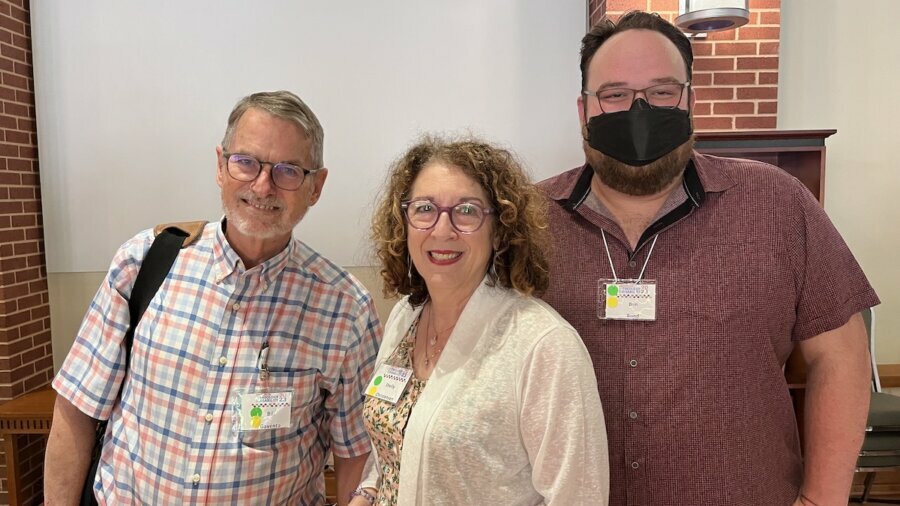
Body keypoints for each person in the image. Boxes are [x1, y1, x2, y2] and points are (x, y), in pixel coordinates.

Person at [539, 11, 880, 506]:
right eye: (614, 94)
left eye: (661, 92)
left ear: (690, 100)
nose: (639, 111)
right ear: (583, 110)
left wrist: (822, 499)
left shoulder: (776, 203)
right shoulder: (526, 223)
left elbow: (841, 355)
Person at [44, 90, 381, 505]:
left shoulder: (345, 309)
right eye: (246, 163)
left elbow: (356, 455)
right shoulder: (144, 262)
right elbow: (77, 407)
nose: (262, 185)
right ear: (221, 166)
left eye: (288, 170)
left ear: (316, 186)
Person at [348, 137, 609, 505]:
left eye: (467, 211)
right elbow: (395, 445)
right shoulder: (406, 316)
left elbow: (578, 496)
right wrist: (366, 492)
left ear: (500, 229)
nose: (442, 230)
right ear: (403, 221)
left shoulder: (543, 344)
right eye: (424, 209)